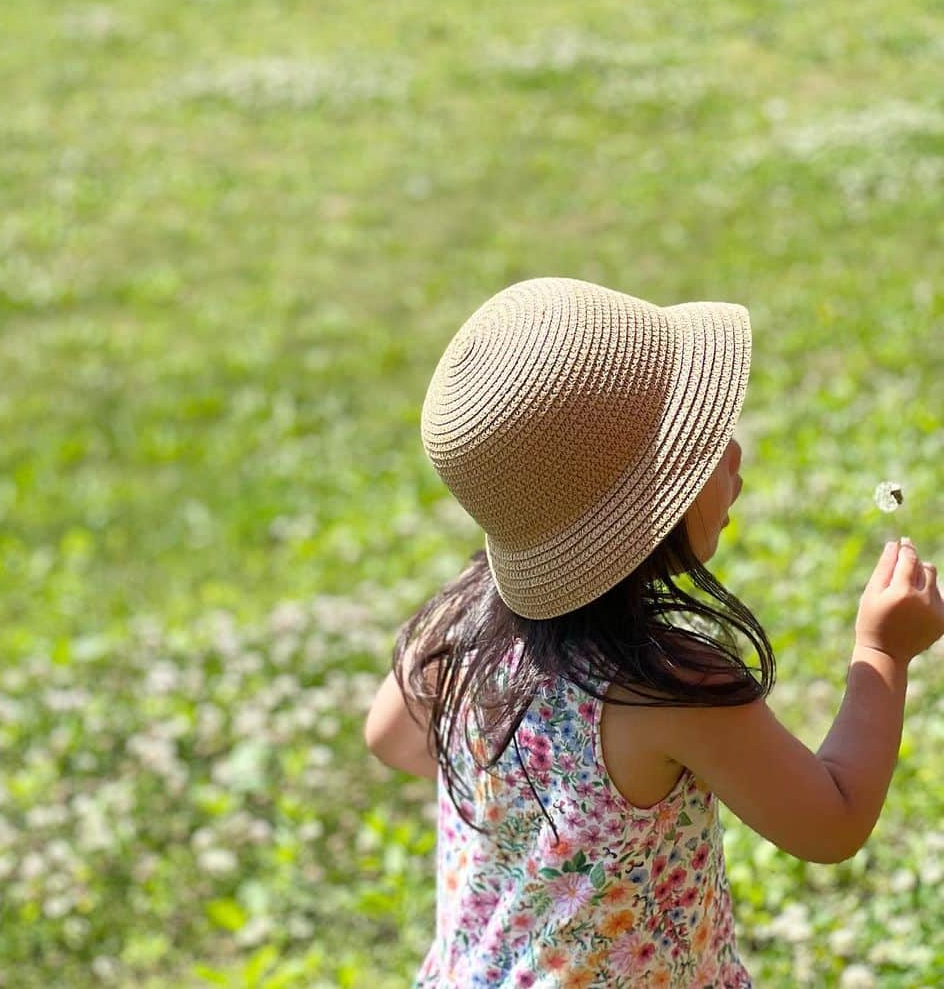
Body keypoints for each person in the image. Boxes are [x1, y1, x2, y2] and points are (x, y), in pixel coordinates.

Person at [363, 276, 942, 987]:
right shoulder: (668, 685)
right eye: (696, 449)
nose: (733, 454)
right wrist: (881, 651)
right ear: (640, 513)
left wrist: (535, 804)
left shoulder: (461, 623)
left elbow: (387, 737)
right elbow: (833, 822)